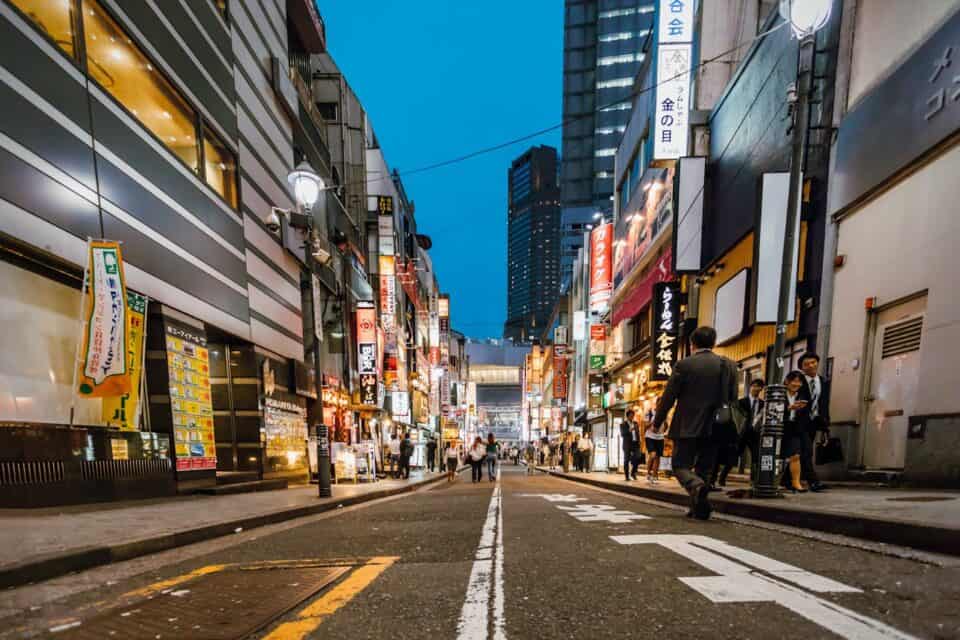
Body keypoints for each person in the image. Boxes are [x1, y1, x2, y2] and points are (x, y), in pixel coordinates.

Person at [653, 326, 737, 520]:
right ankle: (698, 508)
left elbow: (669, 397)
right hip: (717, 425)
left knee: (680, 465)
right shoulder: (728, 365)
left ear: (693, 344)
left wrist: (658, 421)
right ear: (714, 343)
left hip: (687, 424)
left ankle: (694, 486)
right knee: (705, 468)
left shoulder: (685, 365)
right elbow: (732, 398)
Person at [718, 379, 764, 485]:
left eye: (760, 387)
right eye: (755, 386)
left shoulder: (762, 403)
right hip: (742, 433)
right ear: (751, 387)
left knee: (756, 456)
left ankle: (754, 480)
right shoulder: (741, 402)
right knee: (734, 455)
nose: (757, 388)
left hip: (754, 434)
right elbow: (736, 418)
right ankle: (722, 477)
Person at [798, 352, 830, 492]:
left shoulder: (823, 381)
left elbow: (824, 403)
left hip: (815, 421)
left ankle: (788, 479)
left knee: (800, 452)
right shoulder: (798, 380)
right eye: (806, 364)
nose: (811, 366)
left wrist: (826, 423)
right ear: (802, 368)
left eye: (813, 362)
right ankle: (813, 482)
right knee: (807, 451)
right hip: (799, 421)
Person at [781, 371, 810, 493]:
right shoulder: (780, 394)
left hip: (795, 428)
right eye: (794, 380)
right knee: (778, 456)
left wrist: (801, 409)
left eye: (799, 381)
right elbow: (772, 410)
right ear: (787, 381)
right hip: (780, 428)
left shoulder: (802, 396)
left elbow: (806, 415)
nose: (796, 384)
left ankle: (796, 483)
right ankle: (774, 481)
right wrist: (789, 408)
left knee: (796, 455)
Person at [644, 411, 665, 484]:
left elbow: (666, 424)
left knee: (657, 457)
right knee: (653, 454)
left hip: (660, 437)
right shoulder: (649, 413)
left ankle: (654, 476)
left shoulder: (664, 413)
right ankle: (648, 472)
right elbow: (645, 426)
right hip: (650, 437)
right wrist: (654, 422)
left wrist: (663, 431)